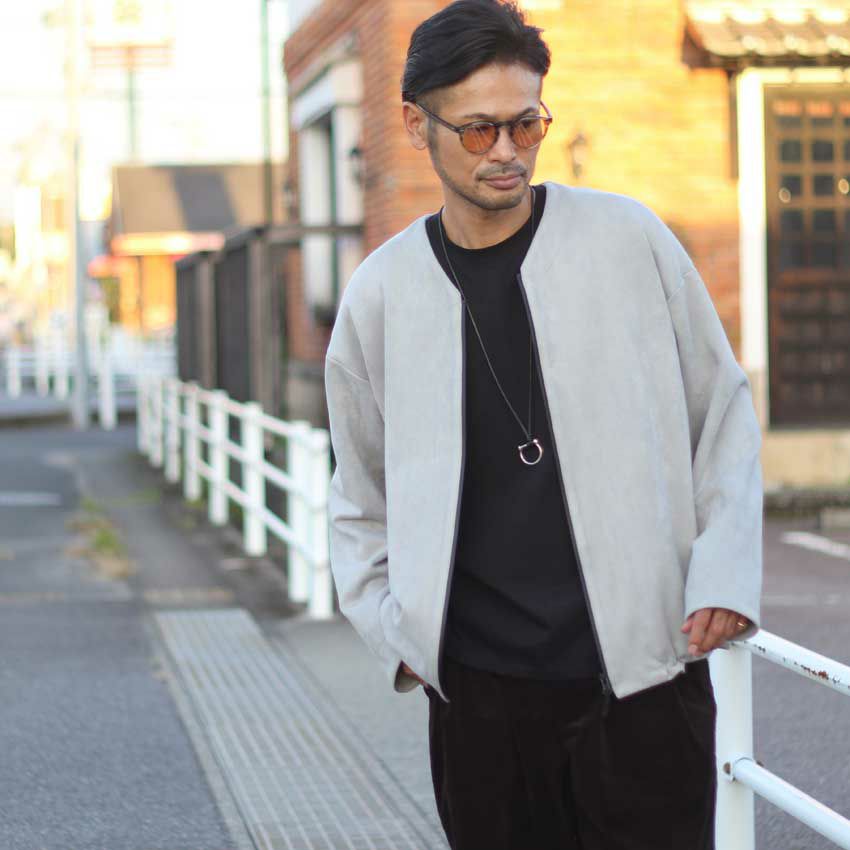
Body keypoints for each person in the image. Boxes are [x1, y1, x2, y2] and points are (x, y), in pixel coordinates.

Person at [322, 1, 763, 847]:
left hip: (644, 676)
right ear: (416, 125)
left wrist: (723, 573)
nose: (506, 151)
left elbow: (722, 411)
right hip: (477, 698)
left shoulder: (628, 240)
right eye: (478, 130)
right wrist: (395, 632)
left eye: (526, 125)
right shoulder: (381, 294)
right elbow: (358, 489)